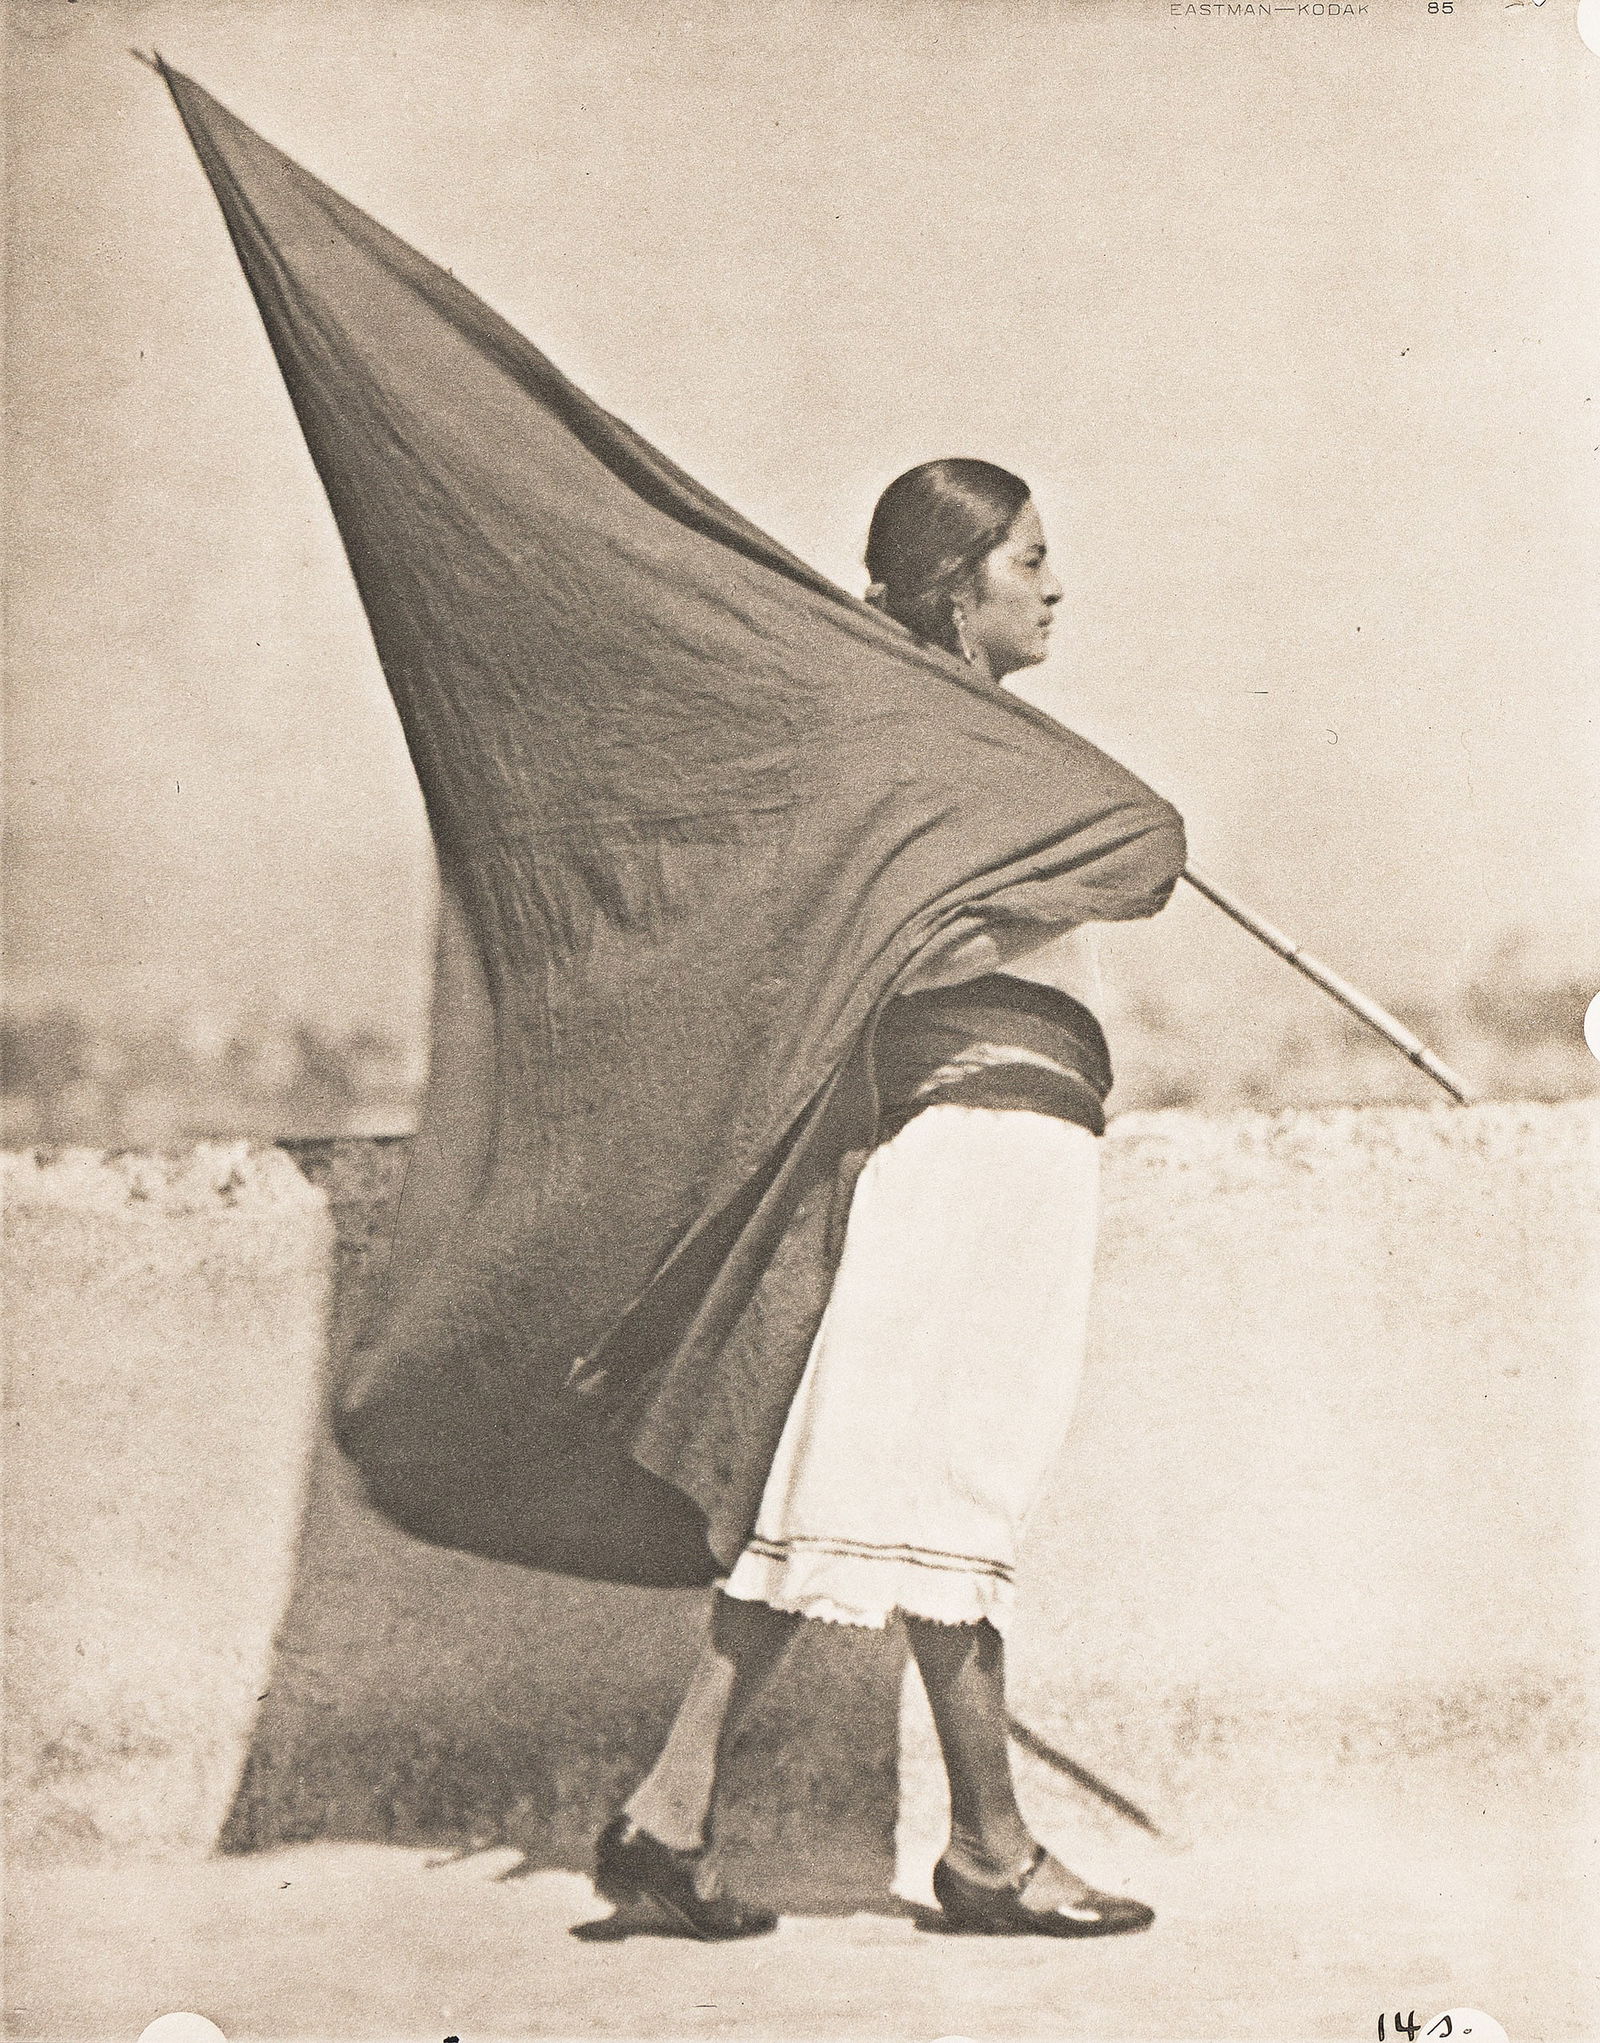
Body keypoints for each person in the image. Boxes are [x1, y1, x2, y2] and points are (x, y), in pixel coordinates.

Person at [593, 460, 1158, 1942]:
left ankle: (679, 1815)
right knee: (929, 1490)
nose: (1053, 586)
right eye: (1029, 561)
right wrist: (1066, 849)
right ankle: (985, 1855)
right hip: (971, 1150)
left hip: (998, 1147)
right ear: (956, 589)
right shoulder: (921, 753)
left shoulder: (959, 744)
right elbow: (897, 937)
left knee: (858, 1494)